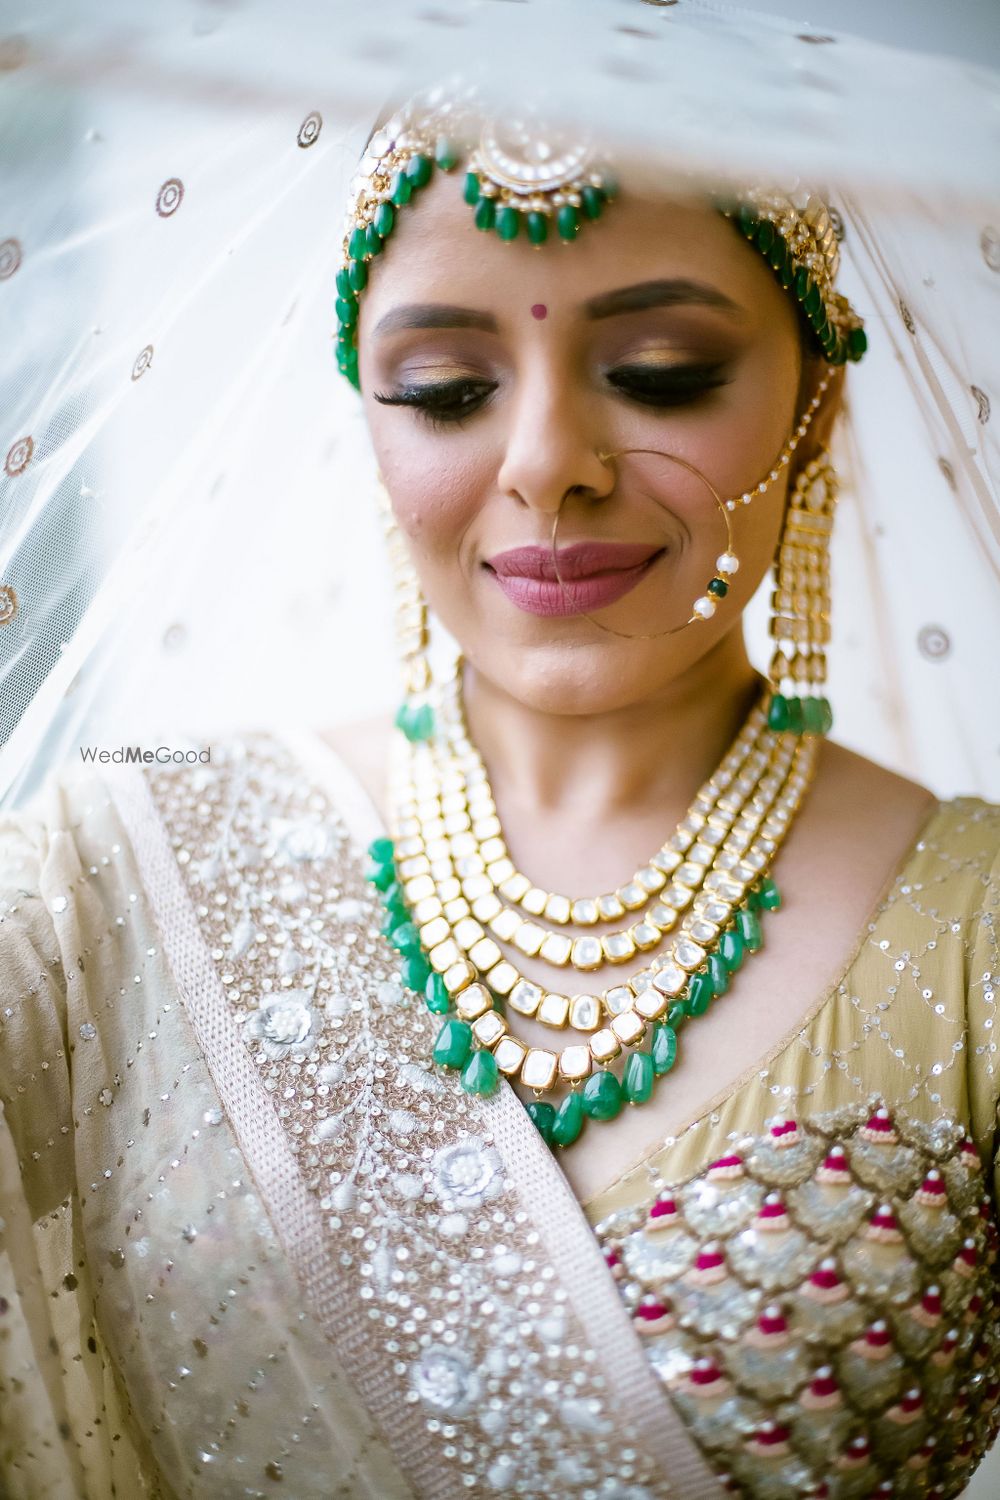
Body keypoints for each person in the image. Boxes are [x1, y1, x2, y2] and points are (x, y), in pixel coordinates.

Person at [1, 81, 999, 1500]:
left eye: (660, 372)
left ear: (818, 401)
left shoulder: (974, 938)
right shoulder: (122, 856)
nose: (545, 467)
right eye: (446, 392)